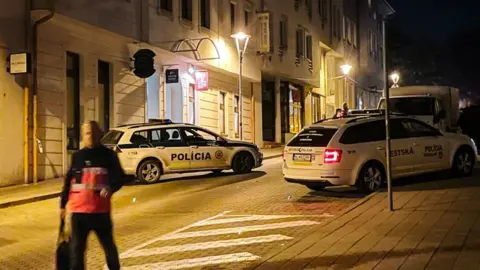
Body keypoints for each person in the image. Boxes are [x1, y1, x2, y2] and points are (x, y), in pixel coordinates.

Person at [60, 121, 124, 270]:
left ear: (100, 134)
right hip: (79, 213)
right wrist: (63, 206)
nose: (91, 136)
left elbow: (120, 178)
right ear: (83, 136)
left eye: (94, 133)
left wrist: (111, 187)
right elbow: (68, 182)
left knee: (109, 247)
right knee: (77, 251)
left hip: (100, 212)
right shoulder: (77, 156)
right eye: (87, 133)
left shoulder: (109, 156)